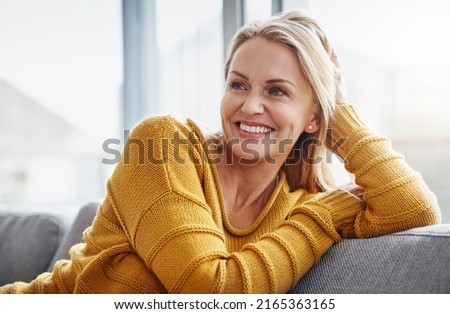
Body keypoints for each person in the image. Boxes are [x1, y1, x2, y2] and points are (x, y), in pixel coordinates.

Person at [0, 9, 441, 294]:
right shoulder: (164, 146)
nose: (250, 105)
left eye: (277, 90)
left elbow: (414, 209)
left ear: (313, 119)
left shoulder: (296, 205)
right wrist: (323, 217)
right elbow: (210, 291)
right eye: (238, 84)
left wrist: (338, 112)